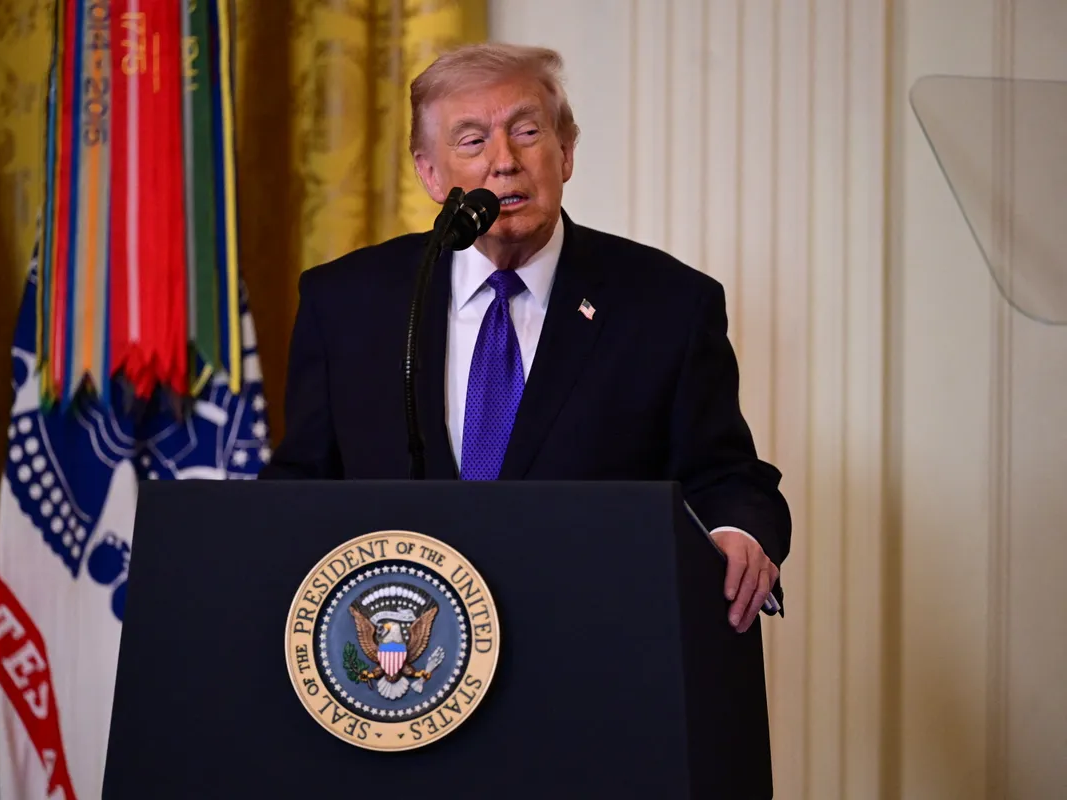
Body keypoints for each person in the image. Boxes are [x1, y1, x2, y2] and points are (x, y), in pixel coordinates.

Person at [260, 43, 790, 632]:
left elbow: (726, 477)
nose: (504, 161)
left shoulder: (667, 305)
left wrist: (735, 531)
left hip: (592, 645)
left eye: (528, 132)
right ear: (430, 174)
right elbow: (300, 488)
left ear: (565, 152)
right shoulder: (348, 303)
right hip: (408, 666)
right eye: (472, 141)